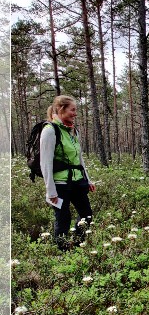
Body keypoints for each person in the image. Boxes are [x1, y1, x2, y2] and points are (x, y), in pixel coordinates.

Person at [40, 95, 95, 251]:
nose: (75, 113)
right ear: (61, 109)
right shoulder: (50, 130)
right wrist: (50, 191)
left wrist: (88, 179)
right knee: (63, 219)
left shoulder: (73, 131)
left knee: (87, 215)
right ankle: (62, 252)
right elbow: (45, 163)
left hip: (77, 181)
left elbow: (79, 158)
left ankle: (78, 244)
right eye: (72, 110)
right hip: (60, 185)